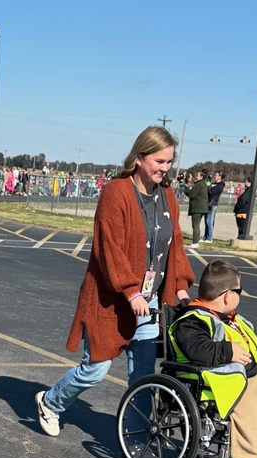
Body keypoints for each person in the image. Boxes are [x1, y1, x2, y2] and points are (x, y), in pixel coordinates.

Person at [35, 125, 194, 441]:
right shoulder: (116, 193)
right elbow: (110, 248)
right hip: (111, 298)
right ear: (139, 158)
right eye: (159, 161)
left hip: (147, 302)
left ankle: (137, 436)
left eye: (169, 162)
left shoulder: (169, 198)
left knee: (143, 376)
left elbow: (174, 243)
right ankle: (50, 402)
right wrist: (130, 290)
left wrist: (179, 285)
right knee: (95, 370)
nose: (165, 168)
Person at [169, 261, 257, 458]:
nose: (240, 297)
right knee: (249, 412)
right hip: (215, 383)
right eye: (239, 292)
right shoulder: (192, 320)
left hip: (246, 375)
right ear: (226, 296)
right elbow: (196, 348)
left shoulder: (229, 317)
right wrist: (228, 351)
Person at [184, 169, 209, 248]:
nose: (196, 177)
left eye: (197, 176)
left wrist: (186, 188)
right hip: (201, 208)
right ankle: (196, 241)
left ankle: (195, 242)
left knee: (195, 225)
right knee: (197, 225)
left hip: (197, 208)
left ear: (202, 176)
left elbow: (191, 194)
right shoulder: (203, 184)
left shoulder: (199, 184)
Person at [203, 171, 224, 242]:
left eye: (216, 175)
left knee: (209, 221)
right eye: (215, 175)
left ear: (220, 177)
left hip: (212, 204)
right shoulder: (213, 183)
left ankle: (209, 238)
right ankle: (205, 237)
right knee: (206, 221)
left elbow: (212, 192)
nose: (215, 176)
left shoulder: (220, 185)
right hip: (207, 203)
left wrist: (209, 187)